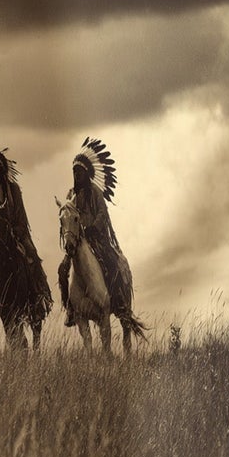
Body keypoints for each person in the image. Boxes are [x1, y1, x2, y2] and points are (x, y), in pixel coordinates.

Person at [58, 136, 129, 327]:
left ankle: (120, 302)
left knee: (113, 264)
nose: (76, 175)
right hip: (78, 242)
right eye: (74, 171)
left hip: (97, 239)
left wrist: (91, 228)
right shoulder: (69, 195)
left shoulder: (96, 192)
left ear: (86, 173)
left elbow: (102, 214)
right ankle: (70, 309)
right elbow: (66, 215)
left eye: (79, 171)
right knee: (62, 270)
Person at [0, 149, 51, 320]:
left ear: (2, 169)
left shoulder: (13, 189)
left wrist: (15, 228)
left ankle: (38, 296)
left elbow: (21, 215)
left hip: (16, 233)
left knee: (31, 256)